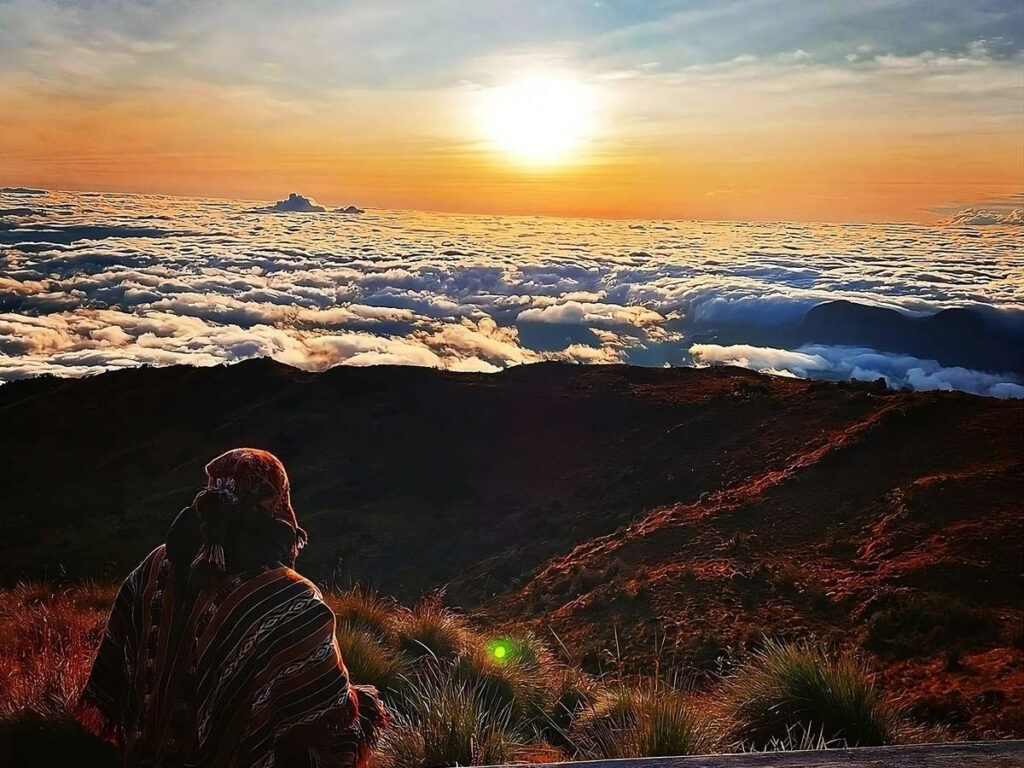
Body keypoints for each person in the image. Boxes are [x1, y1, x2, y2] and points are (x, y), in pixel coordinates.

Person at [77, 448, 387, 767]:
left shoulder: (155, 563)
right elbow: (325, 719)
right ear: (276, 502)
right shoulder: (291, 599)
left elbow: (115, 663)